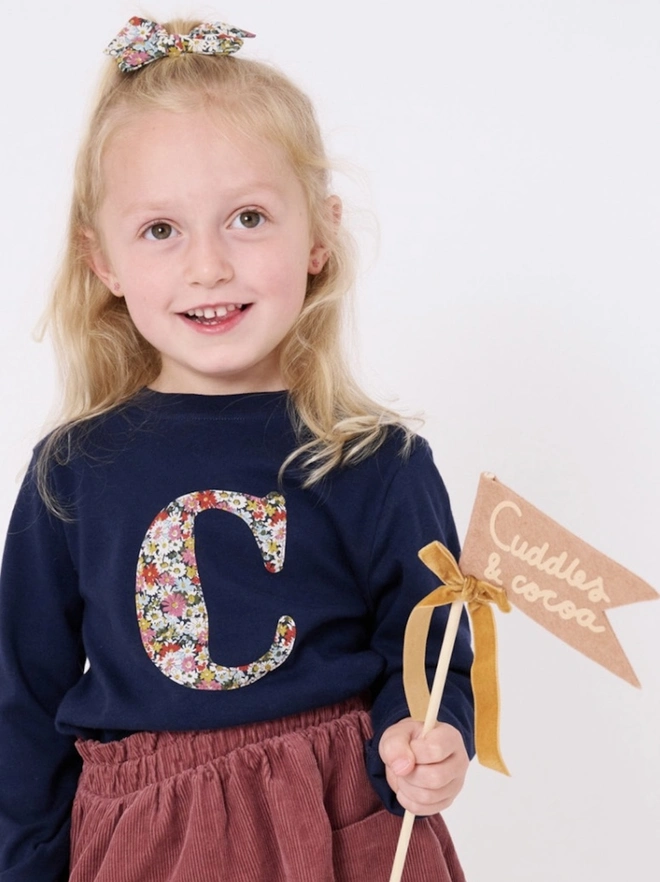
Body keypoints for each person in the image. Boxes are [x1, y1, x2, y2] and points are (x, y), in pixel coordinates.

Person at [0, 16, 474, 882]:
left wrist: (427, 736)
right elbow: (23, 696)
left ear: (319, 234)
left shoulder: (376, 460)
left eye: (248, 218)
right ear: (102, 260)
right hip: (148, 840)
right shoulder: (72, 471)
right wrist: (26, 864)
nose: (209, 266)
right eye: (161, 230)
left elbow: (429, 638)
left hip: (338, 818)